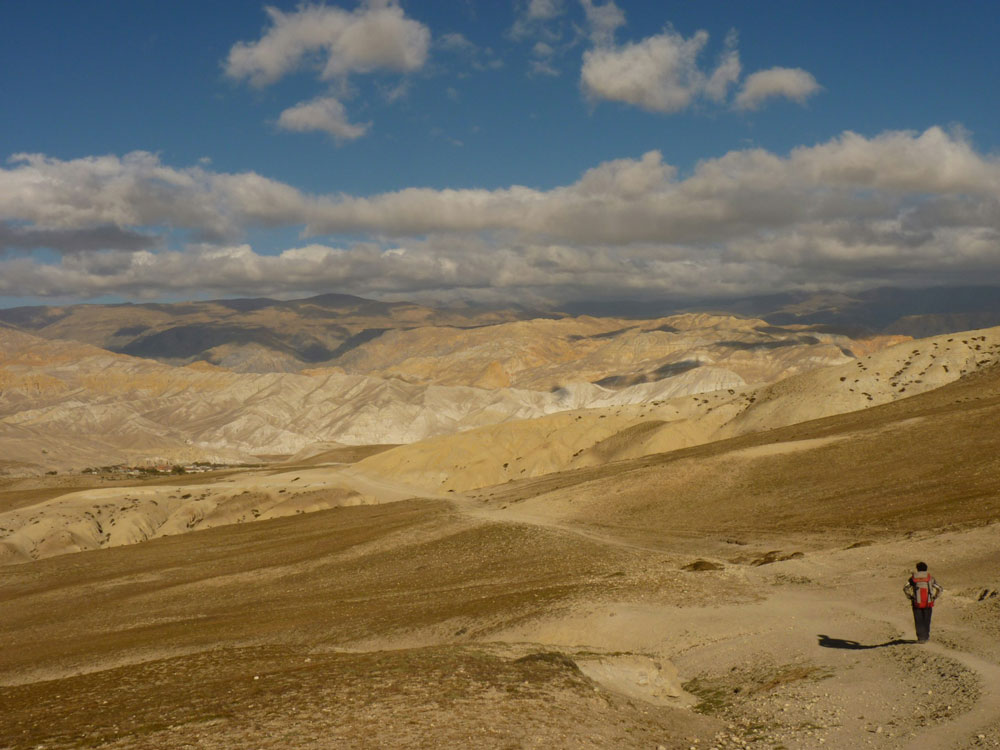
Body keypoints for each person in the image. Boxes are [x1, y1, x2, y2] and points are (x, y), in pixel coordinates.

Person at [903, 561, 943, 643]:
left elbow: (905, 588)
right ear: (926, 569)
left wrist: (910, 597)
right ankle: (926, 637)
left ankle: (920, 638)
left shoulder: (913, 578)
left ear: (917, 569)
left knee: (918, 620)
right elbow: (939, 588)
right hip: (928, 602)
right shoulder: (930, 578)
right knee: (926, 620)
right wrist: (934, 597)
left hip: (916, 602)